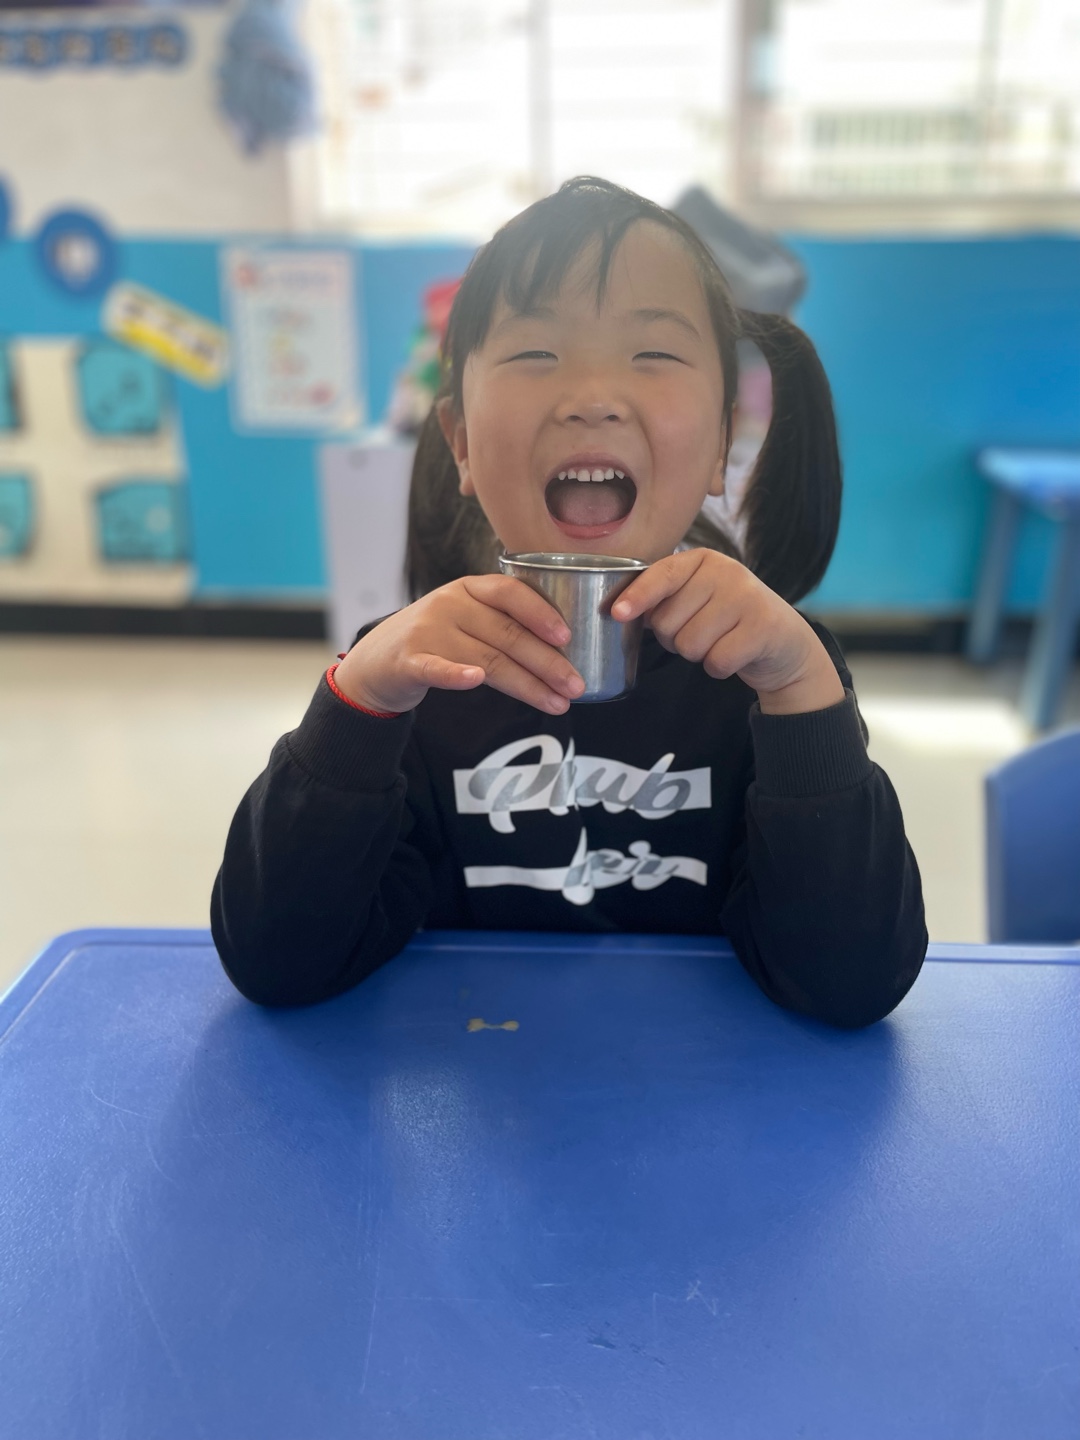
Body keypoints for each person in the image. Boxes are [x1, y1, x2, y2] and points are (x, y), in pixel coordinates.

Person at [212, 176, 927, 1027]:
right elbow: (279, 965)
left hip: (705, 1086)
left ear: (719, 444)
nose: (592, 397)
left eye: (653, 355)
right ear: (461, 442)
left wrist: (804, 691)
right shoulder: (411, 679)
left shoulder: (771, 678)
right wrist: (357, 701)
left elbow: (849, 986)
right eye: (535, 355)